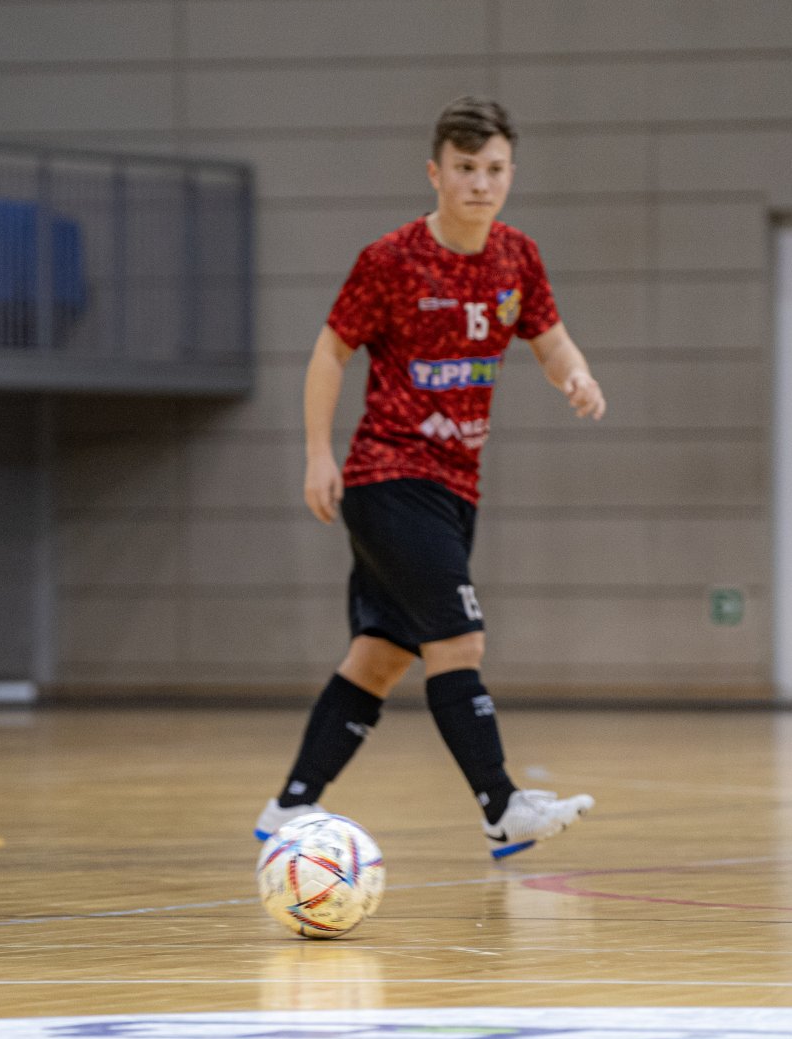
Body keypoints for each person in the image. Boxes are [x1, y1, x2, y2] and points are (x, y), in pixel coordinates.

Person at [254, 96, 604, 860]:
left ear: (511, 174)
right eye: (466, 168)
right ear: (436, 173)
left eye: (495, 169)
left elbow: (550, 341)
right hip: (389, 477)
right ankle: (500, 807)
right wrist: (318, 454)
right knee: (458, 641)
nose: (481, 183)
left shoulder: (517, 256)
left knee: (381, 655)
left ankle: (289, 808)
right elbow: (329, 352)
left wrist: (575, 375)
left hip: (454, 489)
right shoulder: (391, 260)